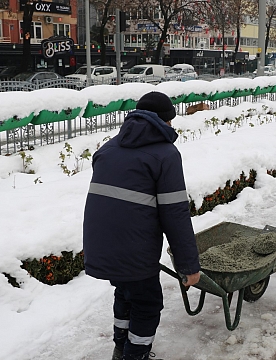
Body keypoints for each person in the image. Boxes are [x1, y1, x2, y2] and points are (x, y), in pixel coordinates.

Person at [83, 91, 201, 360]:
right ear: (165, 120)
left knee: (126, 293)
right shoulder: (165, 155)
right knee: (147, 304)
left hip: (100, 243)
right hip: (133, 247)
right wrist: (189, 266)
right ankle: (135, 355)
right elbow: (175, 215)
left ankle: (121, 348)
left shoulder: (108, 148)